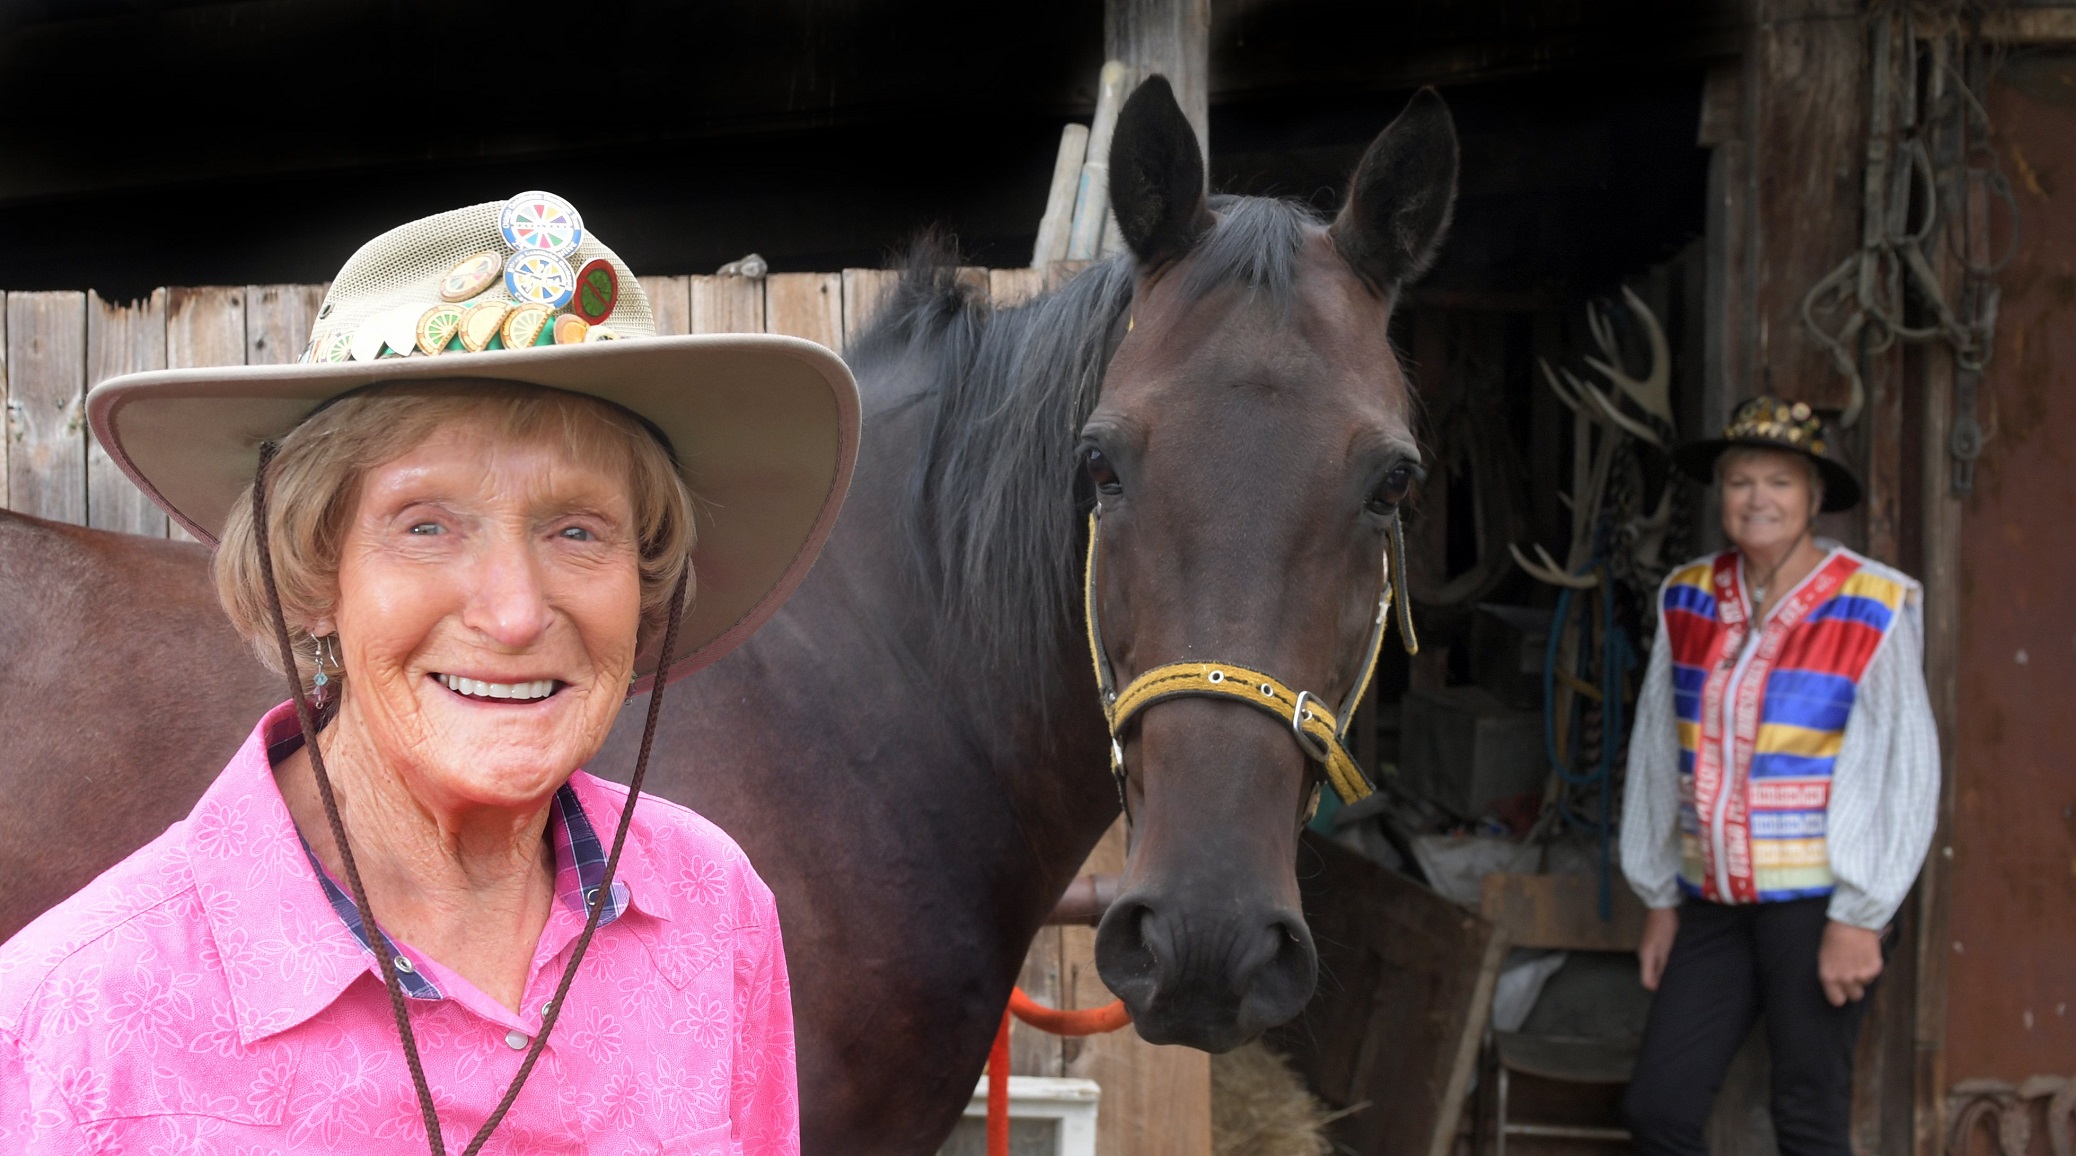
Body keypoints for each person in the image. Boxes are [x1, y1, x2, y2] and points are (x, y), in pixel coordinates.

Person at [0, 192, 860, 1153]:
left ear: (644, 585)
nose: (515, 613)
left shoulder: (711, 911)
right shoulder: (74, 1024)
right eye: (427, 526)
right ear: (314, 576)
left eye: (578, 530)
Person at [1619, 396, 1939, 1155]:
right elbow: (1659, 752)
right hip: (1713, 905)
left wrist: (1863, 915)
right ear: (1720, 493)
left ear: (1814, 499)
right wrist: (1660, 896)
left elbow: (1907, 766)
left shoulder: (1876, 602)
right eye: (1740, 481)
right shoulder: (1688, 595)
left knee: (1807, 1115)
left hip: (1820, 904)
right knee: (1659, 1107)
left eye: (1781, 482)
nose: (1758, 499)